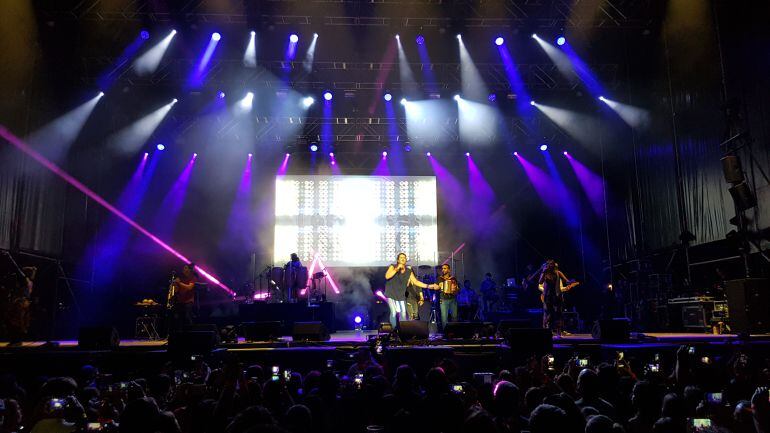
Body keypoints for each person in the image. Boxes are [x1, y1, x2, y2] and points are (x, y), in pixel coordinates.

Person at [384, 253, 437, 328]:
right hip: (391, 293)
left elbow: (416, 282)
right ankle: (394, 331)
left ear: (406, 260)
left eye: (404, 257)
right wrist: (397, 269)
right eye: (401, 257)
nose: (403, 259)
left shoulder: (409, 271)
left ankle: (402, 330)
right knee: (393, 312)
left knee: (403, 313)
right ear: (398, 260)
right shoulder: (393, 266)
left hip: (401, 294)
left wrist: (428, 286)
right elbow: (387, 276)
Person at [538, 260, 569, 337]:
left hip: (557, 296)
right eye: (550, 265)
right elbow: (540, 282)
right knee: (549, 314)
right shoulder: (545, 273)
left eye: (553, 265)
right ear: (548, 266)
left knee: (559, 313)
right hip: (548, 297)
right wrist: (543, 272)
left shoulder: (558, 273)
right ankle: (548, 331)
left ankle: (559, 332)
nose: (552, 266)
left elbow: (567, 281)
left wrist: (570, 282)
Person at [169, 263, 198, 333]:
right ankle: (180, 333)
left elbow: (189, 287)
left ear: (189, 269)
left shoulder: (193, 277)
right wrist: (174, 285)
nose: (184, 269)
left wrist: (179, 283)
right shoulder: (180, 277)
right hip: (180, 301)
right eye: (183, 268)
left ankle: (190, 333)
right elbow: (176, 289)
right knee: (179, 318)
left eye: (185, 268)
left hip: (189, 300)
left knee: (188, 317)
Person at [435, 264, 459, 328]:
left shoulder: (453, 278)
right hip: (443, 299)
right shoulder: (439, 278)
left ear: (449, 270)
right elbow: (436, 287)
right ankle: (445, 332)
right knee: (444, 317)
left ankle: (454, 331)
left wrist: (455, 288)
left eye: (445, 268)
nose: (443, 270)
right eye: (442, 268)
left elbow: (458, 289)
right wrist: (438, 286)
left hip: (453, 299)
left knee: (454, 316)